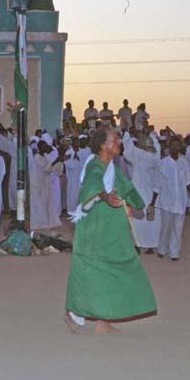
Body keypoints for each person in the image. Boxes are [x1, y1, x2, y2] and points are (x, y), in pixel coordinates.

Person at [65, 128, 157, 334]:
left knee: (114, 269)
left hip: (111, 231)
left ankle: (102, 320)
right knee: (91, 270)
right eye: (114, 139)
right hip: (95, 228)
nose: (118, 142)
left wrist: (138, 204)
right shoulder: (95, 165)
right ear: (103, 146)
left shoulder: (112, 168)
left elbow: (127, 188)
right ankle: (74, 312)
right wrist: (105, 197)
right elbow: (92, 184)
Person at [150, 136, 190, 261]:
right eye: (172, 145)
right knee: (166, 226)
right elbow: (157, 184)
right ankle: (162, 250)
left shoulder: (184, 163)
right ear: (168, 147)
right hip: (166, 201)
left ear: (180, 147)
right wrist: (152, 202)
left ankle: (174, 253)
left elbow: (188, 183)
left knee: (178, 228)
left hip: (180, 201)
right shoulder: (163, 163)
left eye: (177, 145)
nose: (175, 148)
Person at [122, 130, 161, 252]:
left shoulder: (139, 154)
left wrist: (127, 134)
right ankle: (150, 246)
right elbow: (158, 147)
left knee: (136, 219)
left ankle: (136, 245)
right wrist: (153, 137)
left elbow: (128, 147)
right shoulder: (155, 157)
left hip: (138, 191)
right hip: (151, 193)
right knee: (152, 219)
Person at [30, 138, 62, 231]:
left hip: (44, 184)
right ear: (40, 148)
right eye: (43, 147)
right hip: (37, 185)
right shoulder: (37, 157)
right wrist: (56, 161)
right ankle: (39, 224)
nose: (45, 148)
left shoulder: (45, 157)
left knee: (45, 203)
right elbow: (46, 169)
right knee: (39, 205)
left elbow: (52, 167)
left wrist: (59, 163)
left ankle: (46, 222)